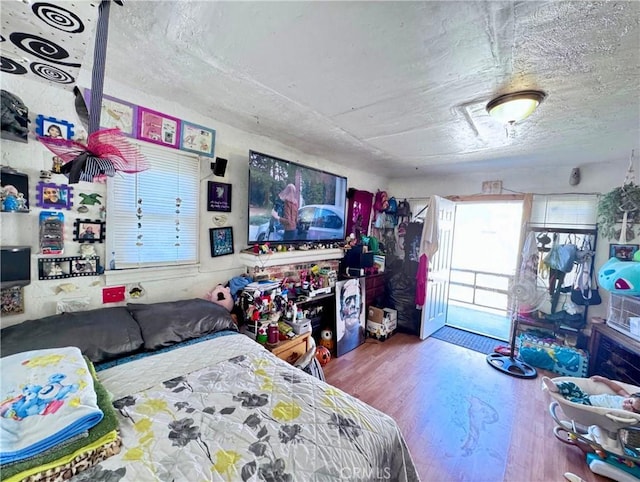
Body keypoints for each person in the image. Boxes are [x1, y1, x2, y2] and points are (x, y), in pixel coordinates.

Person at [543, 375, 640, 412]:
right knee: (572, 385)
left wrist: (628, 411)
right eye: (630, 401)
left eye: (632, 408)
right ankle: (555, 387)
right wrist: (603, 380)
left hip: (589, 405)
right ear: (631, 397)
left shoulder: (625, 415)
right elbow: (618, 389)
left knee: (575, 401)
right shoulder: (626, 396)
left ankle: (563, 394)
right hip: (588, 397)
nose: (628, 404)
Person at [337, 278, 364, 355]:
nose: (353, 304)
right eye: (348, 301)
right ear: (341, 313)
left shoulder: (366, 336)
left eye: (356, 299)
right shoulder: (339, 347)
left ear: (361, 308)